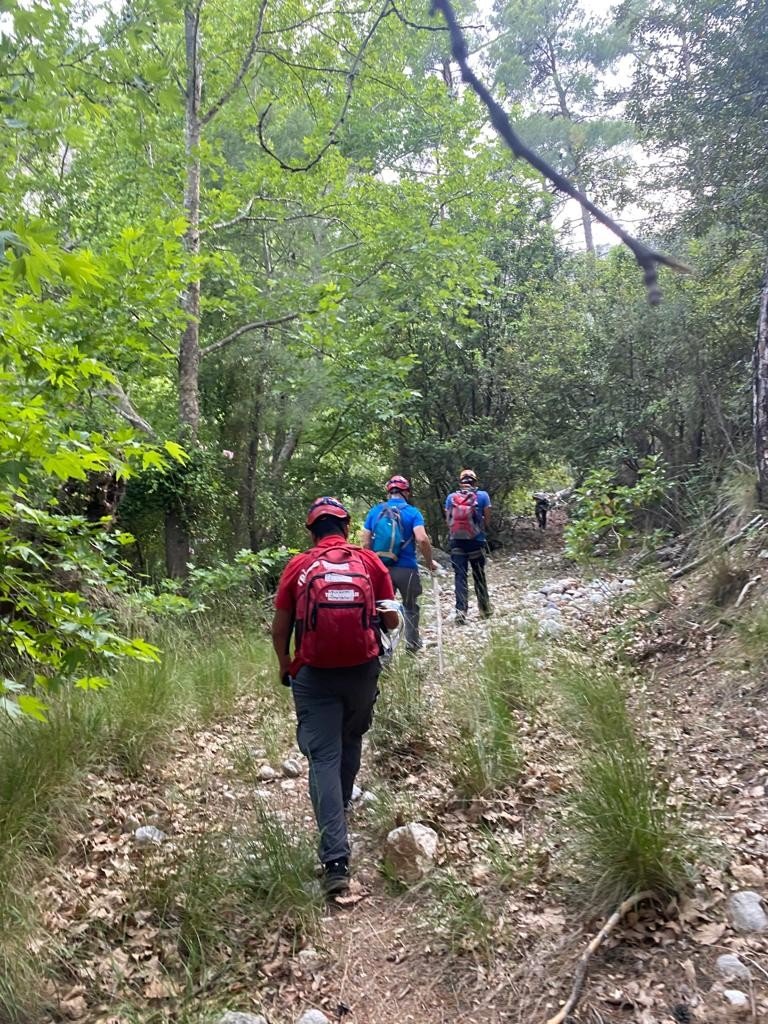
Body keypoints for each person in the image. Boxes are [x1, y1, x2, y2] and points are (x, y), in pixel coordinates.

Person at [271, 497, 398, 895]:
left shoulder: (298, 566)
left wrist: (284, 664)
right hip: (362, 669)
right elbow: (392, 619)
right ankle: (338, 811)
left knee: (323, 757)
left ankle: (335, 860)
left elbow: (279, 628)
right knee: (351, 739)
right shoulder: (370, 562)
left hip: (314, 672)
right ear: (346, 527)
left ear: (312, 531)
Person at [361, 475, 438, 653]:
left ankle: (381, 648)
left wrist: (371, 564)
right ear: (406, 493)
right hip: (407, 568)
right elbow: (422, 539)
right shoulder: (412, 512)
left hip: (381, 570)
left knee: (380, 608)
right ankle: (412, 645)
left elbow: (365, 543)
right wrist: (429, 562)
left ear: (389, 493)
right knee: (410, 606)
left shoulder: (374, 512)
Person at [444, 468, 492, 625]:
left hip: (457, 542)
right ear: (475, 482)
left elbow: (448, 521)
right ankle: (484, 609)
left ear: (461, 482)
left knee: (460, 576)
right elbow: (487, 521)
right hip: (476, 542)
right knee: (478, 574)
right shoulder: (483, 496)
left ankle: (460, 612)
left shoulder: (451, 497)